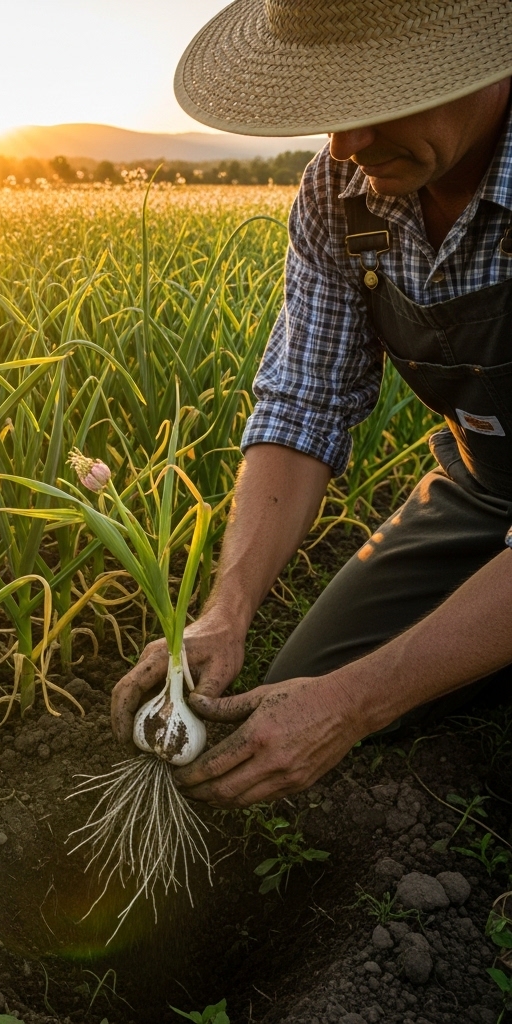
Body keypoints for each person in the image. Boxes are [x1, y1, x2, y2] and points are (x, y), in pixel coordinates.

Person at [110, 0, 512, 809]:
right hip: (487, 487)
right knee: (303, 685)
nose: (345, 143)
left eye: (378, 100)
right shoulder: (342, 190)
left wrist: (361, 703)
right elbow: (305, 401)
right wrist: (226, 611)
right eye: (332, 106)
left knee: (357, 699)